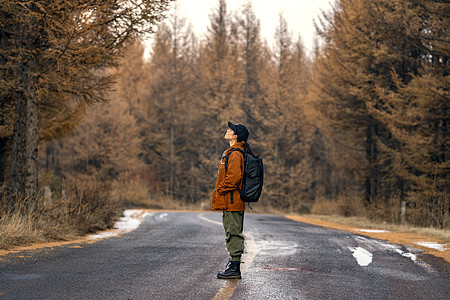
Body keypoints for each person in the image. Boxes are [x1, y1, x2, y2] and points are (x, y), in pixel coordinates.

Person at [211, 121, 252, 280]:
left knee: (233, 233)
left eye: (230, 130)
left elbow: (234, 178)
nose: (227, 131)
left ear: (236, 136)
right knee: (231, 231)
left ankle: (235, 268)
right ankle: (233, 265)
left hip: (232, 201)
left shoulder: (235, 153)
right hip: (230, 201)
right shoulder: (231, 151)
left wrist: (220, 189)